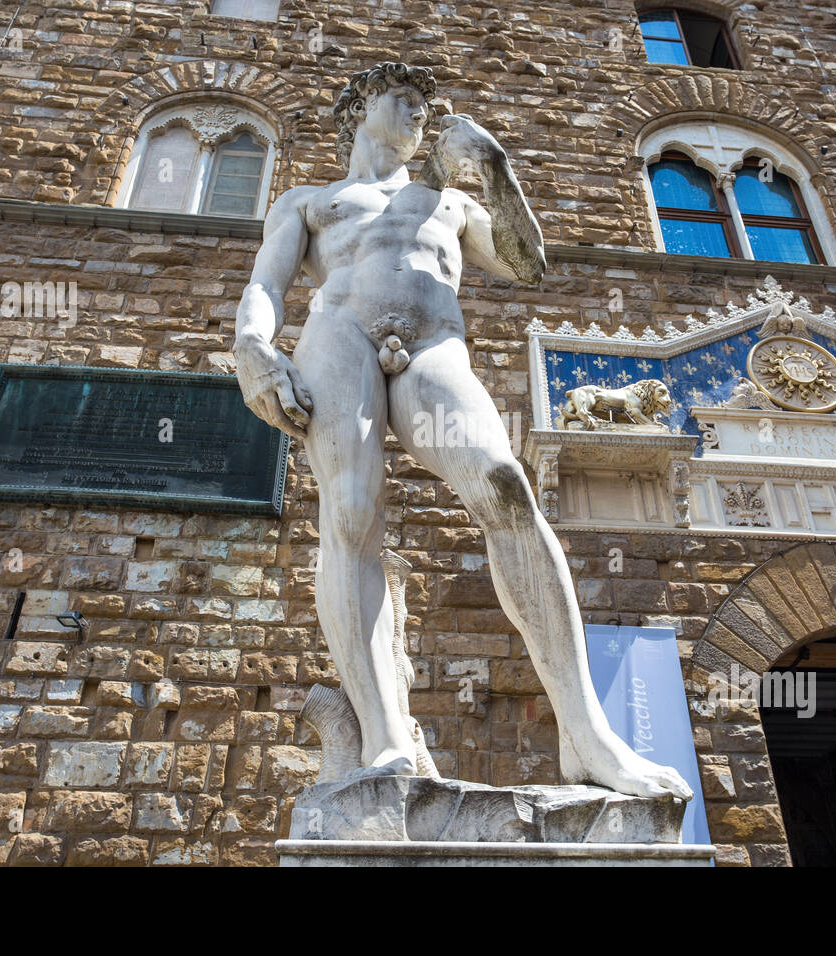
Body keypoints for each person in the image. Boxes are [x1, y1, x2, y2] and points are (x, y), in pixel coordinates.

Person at [232, 62, 690, 800]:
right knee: (351, 513)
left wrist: (497, 168)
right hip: (338, 337)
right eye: (403, 100)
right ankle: (385, 737)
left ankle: (587, 734)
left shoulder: (448, 201)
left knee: (505, 488)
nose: (419, 113)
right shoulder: (315, 200)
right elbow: (264, 283)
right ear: (359, 108)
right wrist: (253, 349)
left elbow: (526, 263)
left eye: (425, 105)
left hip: (432, 347)